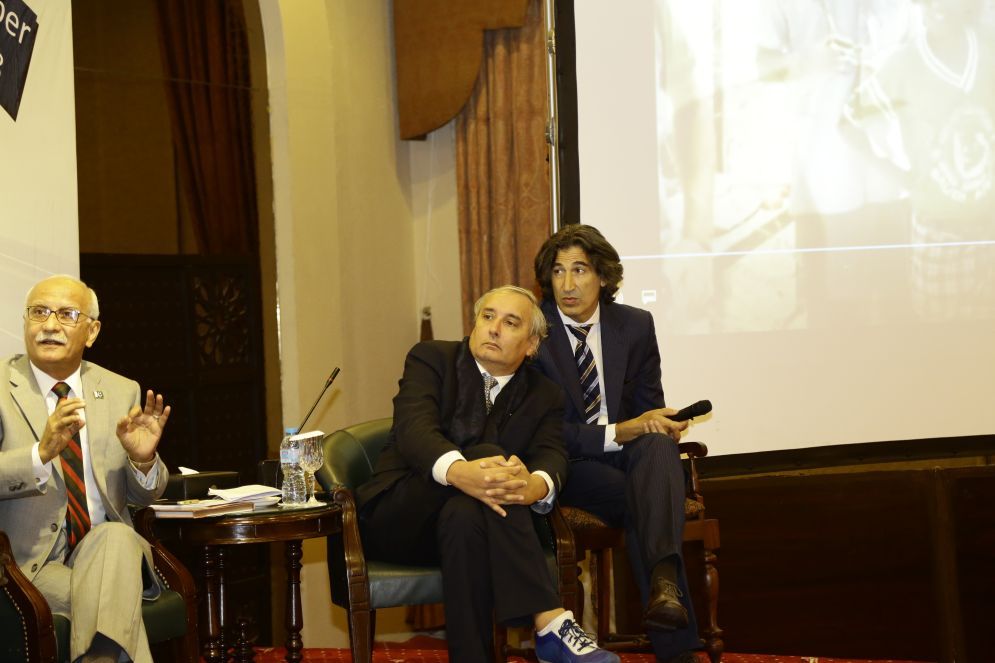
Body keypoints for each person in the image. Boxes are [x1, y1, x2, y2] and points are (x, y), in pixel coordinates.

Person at [356, 285, 619, 663]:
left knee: (465, 515)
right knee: (489, 456)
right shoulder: (432, 359)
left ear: (531, 345)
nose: (494, 328)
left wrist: (534, 485)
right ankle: (549, 619)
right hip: (400, 516)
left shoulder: (544, 393)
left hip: (471, 525)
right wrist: (460, 472)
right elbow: (415, 431)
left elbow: (552, 455)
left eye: (510, 323)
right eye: (488, 317)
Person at [532, 225, 700, 663]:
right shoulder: (535, 332)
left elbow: (647, 408)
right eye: (558, 272)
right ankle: (677, 645)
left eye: (579, 270)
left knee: (659, 446)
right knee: (650, 498)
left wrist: (659, 423)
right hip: (568, 464)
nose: (567, 284)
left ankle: (664, 587)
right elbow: (543, 432)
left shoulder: (635, 325)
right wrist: (619, 432)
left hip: (629, 459)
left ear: (603, 276)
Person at [0, 275, 171, 663]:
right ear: (25, 321)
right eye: (39, 312)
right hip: (27, 567)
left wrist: (143, 460)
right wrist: (39, 454)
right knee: (112, 603)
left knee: (115, 535)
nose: (49, 325)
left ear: (91, 332)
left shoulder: (120, 390)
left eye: (66, 314)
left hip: (111, 551)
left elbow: (145, 494)